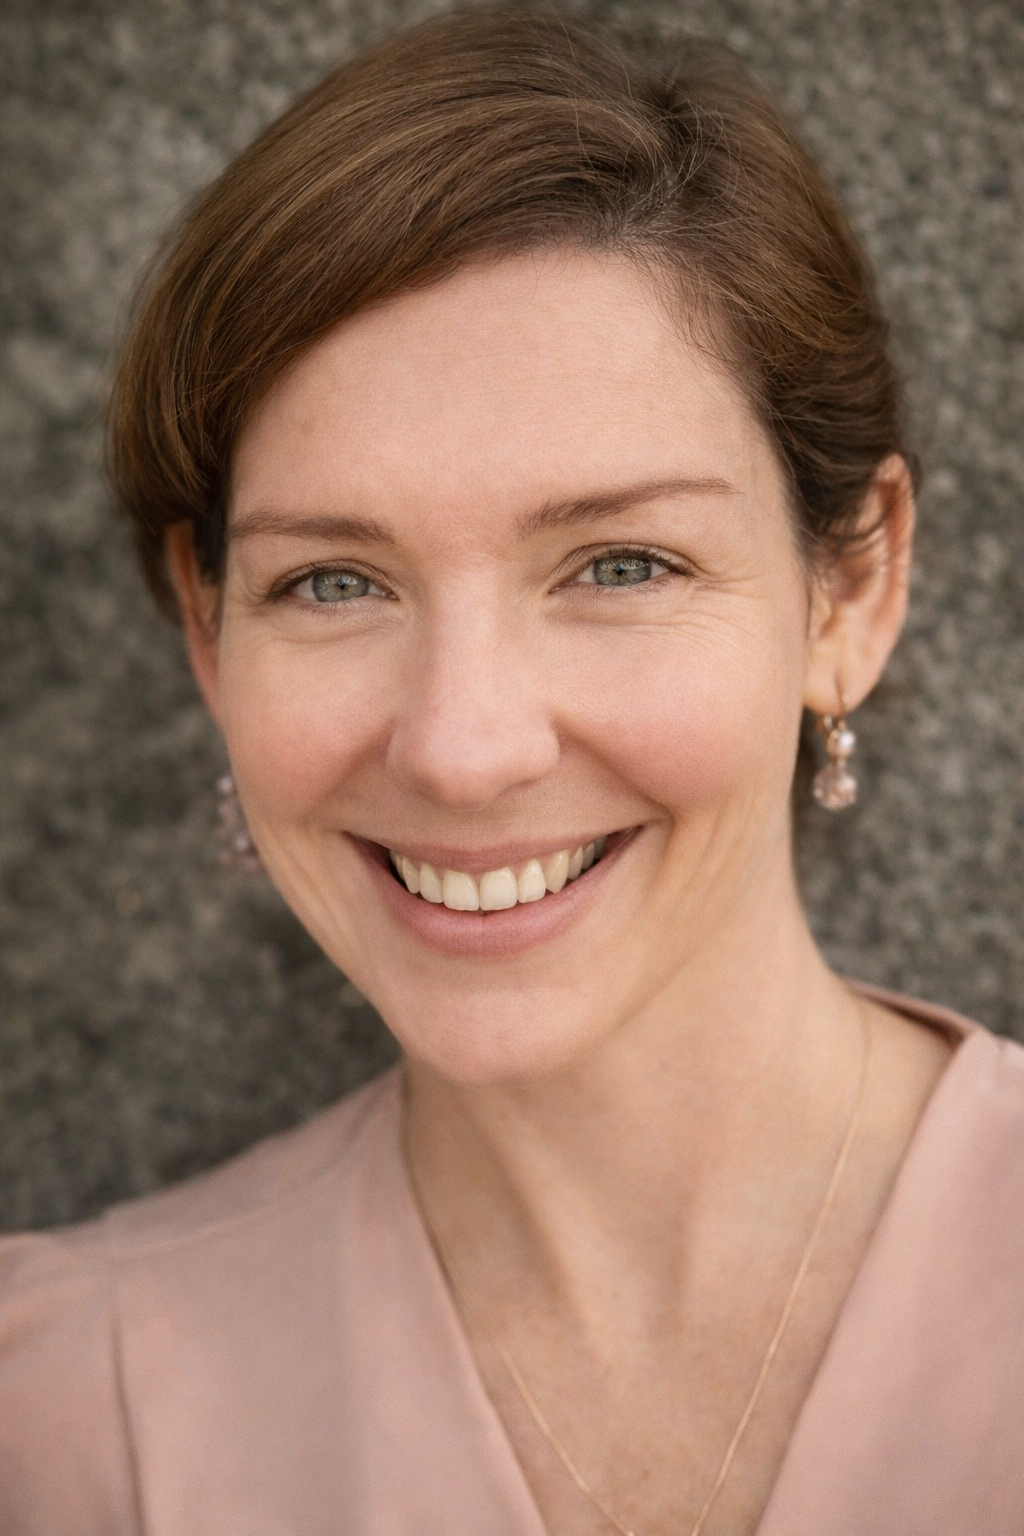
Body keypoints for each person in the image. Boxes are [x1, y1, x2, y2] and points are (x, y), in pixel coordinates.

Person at [1, 4, 1021, 1533]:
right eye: (333, 583)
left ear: (851, 592)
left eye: (620, 561)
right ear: (211, 639)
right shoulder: (60, 1407)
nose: (465, 750)